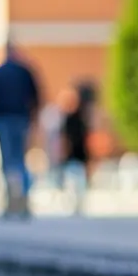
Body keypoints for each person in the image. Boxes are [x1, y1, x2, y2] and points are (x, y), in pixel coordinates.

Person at [0, 41, 41, 219]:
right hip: (21, 118)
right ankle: (22, 199)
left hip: (4, 118)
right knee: (20, 159)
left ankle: (11, 200)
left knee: (8, 160)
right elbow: (36, 97)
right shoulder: (25, 71)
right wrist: (34, 118)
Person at [61, 82, 95, 215]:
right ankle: (72, 203)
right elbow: (64, 138)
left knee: (78, 181)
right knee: (71, 181)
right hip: (72, 156)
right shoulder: (68, 119)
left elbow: (87, 138)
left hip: (80, 155)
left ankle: (78, 203)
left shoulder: (81, 118)